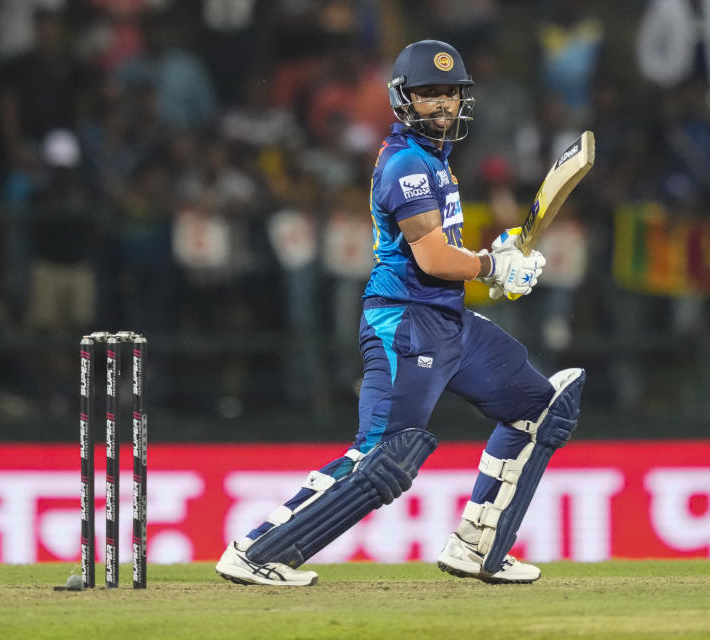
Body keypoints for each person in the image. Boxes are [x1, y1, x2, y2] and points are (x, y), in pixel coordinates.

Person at [214, 39, 586, 586]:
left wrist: (496, 252)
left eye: (449, 94)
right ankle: (257, 551)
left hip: (448, 321)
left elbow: (446, 247)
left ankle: (477, 547)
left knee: (540, 409)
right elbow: (434, 258)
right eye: (427, 94)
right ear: (403, 99)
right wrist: (491, 268)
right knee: (386, 456)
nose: (441, 105)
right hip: (406, 324)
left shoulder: (435, 159)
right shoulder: (407, 163)